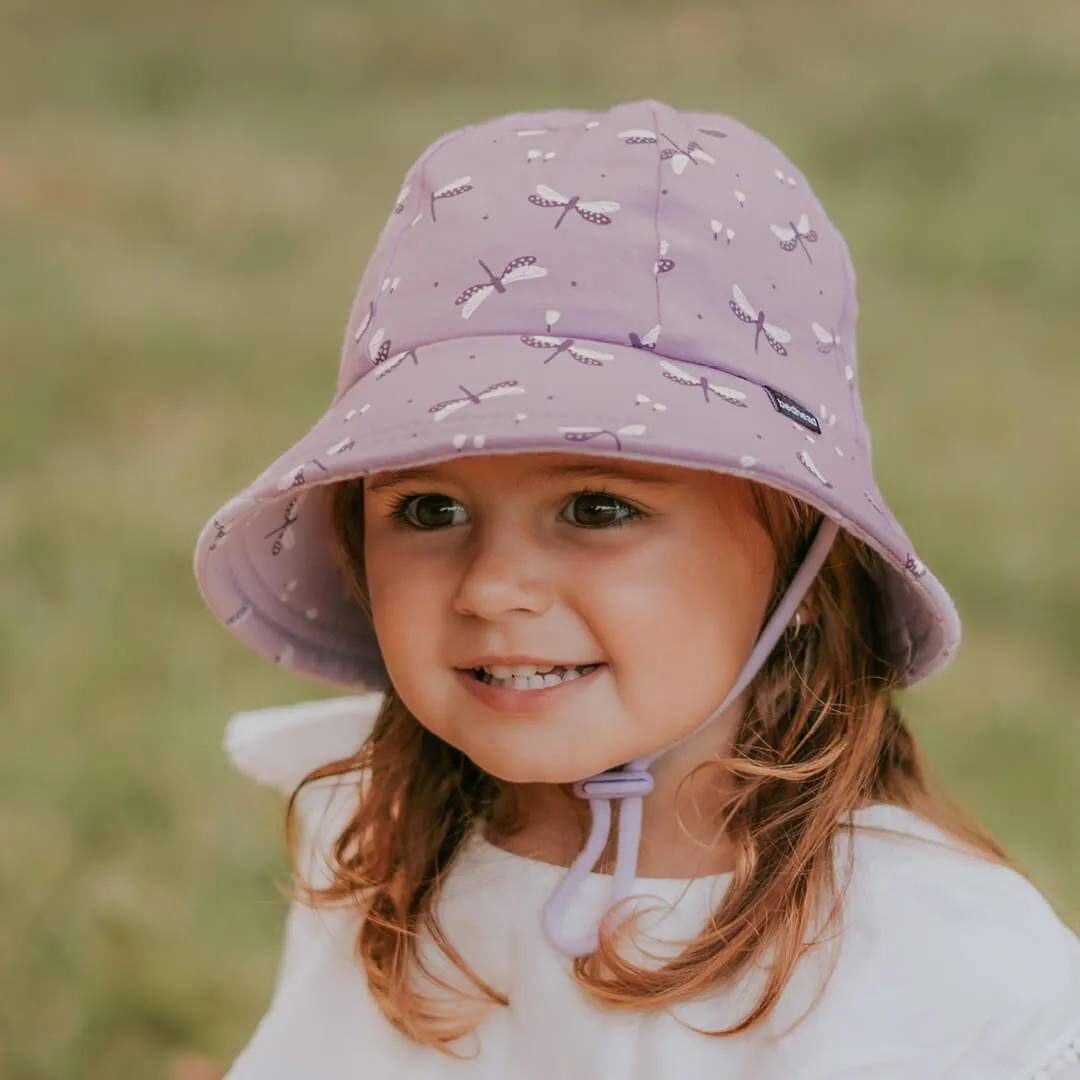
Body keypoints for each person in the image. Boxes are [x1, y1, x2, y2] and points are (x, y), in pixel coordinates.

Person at [193, 99, 1080, 1078]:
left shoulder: (938, 962)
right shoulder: (380, 852)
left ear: (803, 559)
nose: (492, 588)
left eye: (598, 509)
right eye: (431, 511)